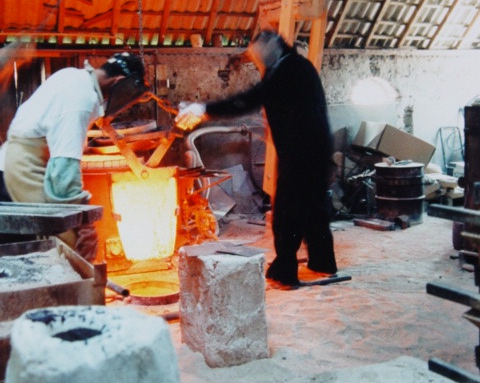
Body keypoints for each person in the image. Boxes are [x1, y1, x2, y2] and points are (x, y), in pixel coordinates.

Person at [175, 29, 338, 289]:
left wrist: (204, 109)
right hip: (314, 149)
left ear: (273, 47)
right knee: (314, 208)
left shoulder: (287, 70)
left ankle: (285, 272)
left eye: (258, 55)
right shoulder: (297, 66)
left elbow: (247, 100)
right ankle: (323, 262)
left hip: (301, 152)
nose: (258, 61)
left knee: (287, 212)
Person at [1, 52, 146, 261]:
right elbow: (64, 173)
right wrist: (84, 224)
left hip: (16, 161)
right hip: (22, 168)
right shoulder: (82, 98)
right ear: (119, 82)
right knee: (70, 243)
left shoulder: (73, 76)